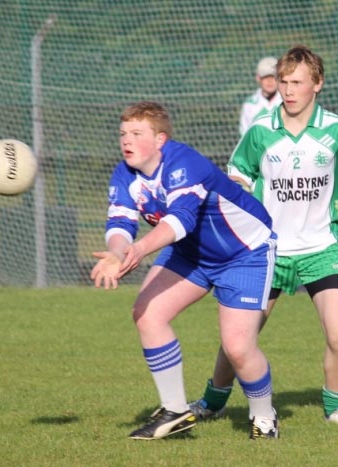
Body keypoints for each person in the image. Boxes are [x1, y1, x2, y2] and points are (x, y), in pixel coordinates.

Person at [190, 45, 338, 426]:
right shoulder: (261, 130)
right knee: (239, 339)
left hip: (322, 247)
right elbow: (237, 175)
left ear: (319, 83)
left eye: (297, 82)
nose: (289, 89)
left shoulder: (337, 130)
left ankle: (337, 410)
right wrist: (237, 196)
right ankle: (212, 402)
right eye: (283, 81)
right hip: (266, 250)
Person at [90, 101, 279, 440]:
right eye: (123, 133)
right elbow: (120, 223)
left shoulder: (184, 163)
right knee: (147, 314)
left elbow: (180, 220)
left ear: (160, 139)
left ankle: (264, 418)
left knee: (237, 347)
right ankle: (176, 412)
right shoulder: (125, 174)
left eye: (136, 133)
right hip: (191, 253)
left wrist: (139, 250)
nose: (126, 140)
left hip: (244, 252)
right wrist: (119, 253)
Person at [239, 56, 282, 137]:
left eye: (273, 77)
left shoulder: (287, 101)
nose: (270, 81)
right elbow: (245, 134)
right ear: (258, 78)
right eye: (265, 77)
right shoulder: (250, 105)